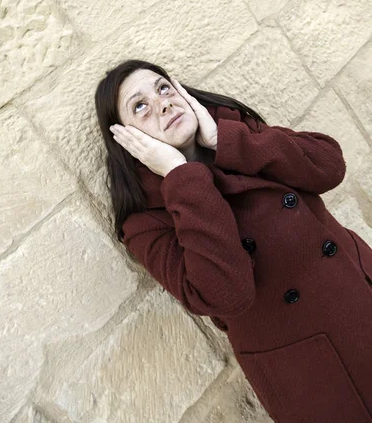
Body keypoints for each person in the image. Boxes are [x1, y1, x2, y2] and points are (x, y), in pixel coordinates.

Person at [95, 58, 372, 423]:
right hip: (316, 366)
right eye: (140, 106)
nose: (163, 103)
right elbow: (226, 294)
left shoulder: (236, 133)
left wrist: (224, 139)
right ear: (127, 140)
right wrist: (181, 176)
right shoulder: (145, 221)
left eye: (163, 87)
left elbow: (328, 165)